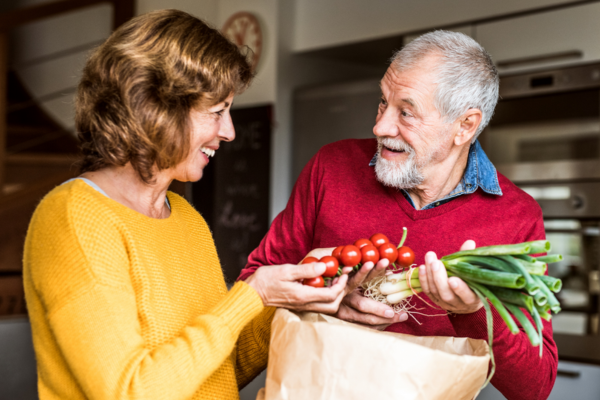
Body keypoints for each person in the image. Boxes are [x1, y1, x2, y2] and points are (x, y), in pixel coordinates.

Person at [22, 10, 381, 400]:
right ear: (153, 108)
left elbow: (220, 370)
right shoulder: (74, 218)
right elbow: (131, 391)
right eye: (216, 112)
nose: (229, 132)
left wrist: (302, 300)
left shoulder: (186, 218)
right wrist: (253, 294)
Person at [240, 31, 557, 400]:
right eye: (382, 103)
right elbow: (255, 285)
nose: (381, 126)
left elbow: (535, 387)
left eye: (406, 112)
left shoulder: (515, 217)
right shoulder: (331, 167)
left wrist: (473, 312)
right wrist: (325, 299)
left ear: (465, 126)